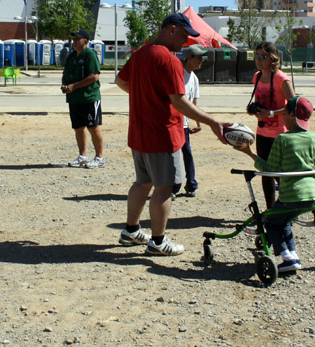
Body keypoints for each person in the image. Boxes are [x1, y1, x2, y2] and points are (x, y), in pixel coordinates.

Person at [115, 13, 229, 256]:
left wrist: (145, 96)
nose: (186, 41)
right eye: (183, 35)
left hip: (139, 133)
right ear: (171, 30)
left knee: (142, 182)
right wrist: (211, 121)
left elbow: (120, 81)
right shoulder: (169, 60)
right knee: (164, 188)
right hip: (163, 135)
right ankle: (157, 242)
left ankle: (131, 231)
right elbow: (179, 101)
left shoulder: (141, 54)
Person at [237, 95, 315, 272]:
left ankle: (286, 256)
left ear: (289, 114)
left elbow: (270, 169)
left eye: (285, 114)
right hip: (310, 195)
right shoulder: (314, 138)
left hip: (290, 195)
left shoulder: (283, 139)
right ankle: (293, 254)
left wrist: (250, 153)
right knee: (285, 219)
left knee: (271, 221)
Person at [247, 42, 296, 209]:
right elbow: (260, 101)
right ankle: (270, 209)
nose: (259, 60)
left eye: (263, 57)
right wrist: (255, 110)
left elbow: (294, 105)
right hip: (262, 131)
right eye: (257, 56)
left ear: (273, 59)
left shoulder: (282, 79)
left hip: (279, 133)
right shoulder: (257, 77)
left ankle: (288, 205)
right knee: (265, 172)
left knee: (278, 173)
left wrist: (271, 113)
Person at [61, 30, 105, 169]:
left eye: (78, 39)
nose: (74, 41)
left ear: (85, 41)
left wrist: (74, 86)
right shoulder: (72, 56)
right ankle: (82, 157)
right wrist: (65, 85)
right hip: (74, 99)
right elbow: (65, 73)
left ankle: (99, 158)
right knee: (78, 128)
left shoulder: (90, 54)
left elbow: (94, 76)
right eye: (74, 38)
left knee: (93, 127)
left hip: (89, 97)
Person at [172, 44, 207, 199]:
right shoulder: (178, 74)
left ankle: (191, 184)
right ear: (189, 58)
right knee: (174, 155)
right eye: (199, 57)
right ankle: (173, 187)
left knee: (187, 153)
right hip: (174, 122)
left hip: (184, 124)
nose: (202, 60)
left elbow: (193, 103)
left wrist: (198, 122)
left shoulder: (194, 78)